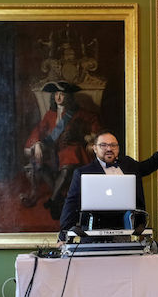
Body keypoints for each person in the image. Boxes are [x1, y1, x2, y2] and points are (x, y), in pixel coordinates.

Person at [58, 123, 158, 242]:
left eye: (113, 145)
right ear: (94, 148)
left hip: (125, 233)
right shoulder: (83, 173)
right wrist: (64, 235)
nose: (109, 149)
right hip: (93, 236)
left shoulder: (128, 164)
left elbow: (151, 164)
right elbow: (71, 204)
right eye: (103, 145)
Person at [22, 81, 101, 220]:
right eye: (56, 94)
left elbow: (94, 122)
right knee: (38, 163)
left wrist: (87, 136)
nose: (58, 97)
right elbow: (39, 130)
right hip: (53, 150)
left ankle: (53, 200)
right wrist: (37, 143)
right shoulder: (49, 114)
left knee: (69, 163)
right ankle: (59, 198)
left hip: (71, 147)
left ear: (68, 97)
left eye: (62, 94)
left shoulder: (78, 112)